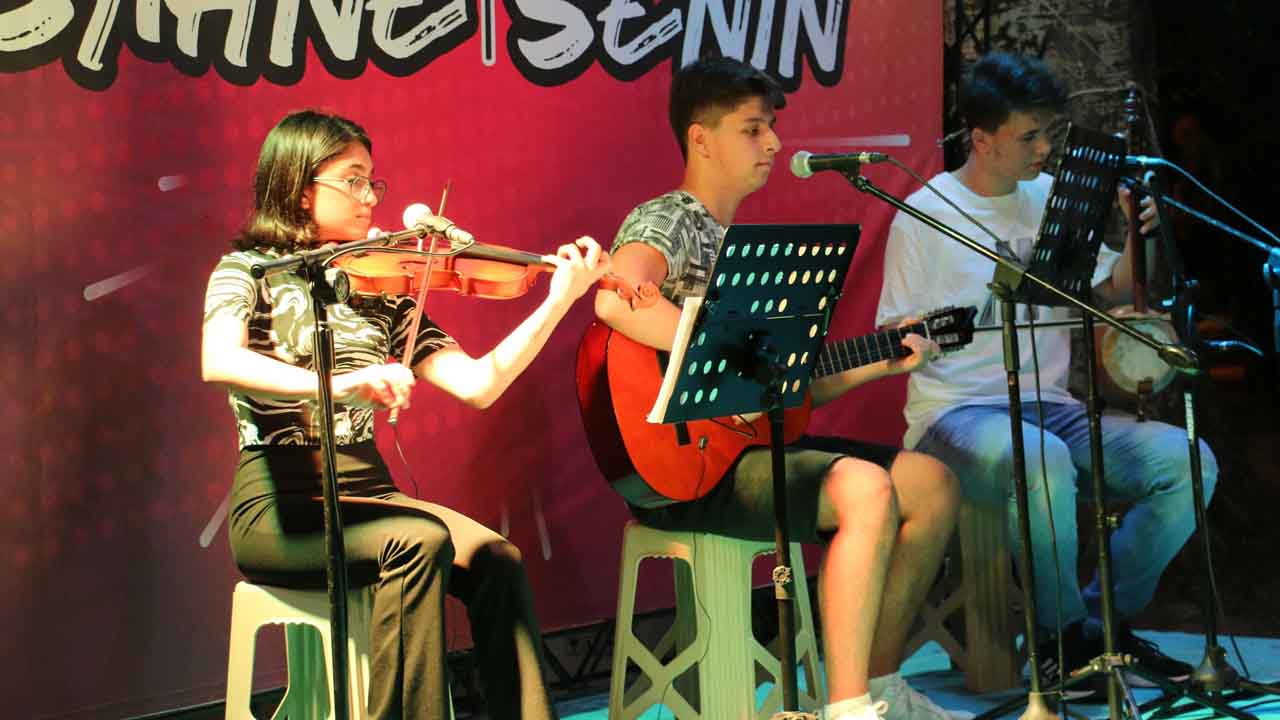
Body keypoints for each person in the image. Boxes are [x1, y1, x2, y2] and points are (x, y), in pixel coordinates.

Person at [202, 110, 609, 719]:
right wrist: (340, 384)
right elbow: (219, 360)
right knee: (418, 541)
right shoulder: (249, 270)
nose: (370, 197)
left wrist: (559, 301)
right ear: (300, 187)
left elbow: (479, 384)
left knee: (496, 560)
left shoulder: (381, 287)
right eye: (352, 180)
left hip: (368, 489)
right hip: (279, 500)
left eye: (372, 182)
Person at [595, 57, 967, 720]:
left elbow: (783, 392)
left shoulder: (732, 238)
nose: (773, 143)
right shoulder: (670, 220)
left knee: (932, 485)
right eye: (753, 129)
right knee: (865, 488)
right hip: (690, 467)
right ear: (701, 138)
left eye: (771, 127)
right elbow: (614, 299)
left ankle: (880, 681)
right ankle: (847, 708)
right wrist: (722, 346)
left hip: (745, 450)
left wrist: (880, 363)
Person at [876, 52, 1218, 698]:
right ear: (982, 138)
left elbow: (1115, 291)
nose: (1043, 149)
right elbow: (896, 334)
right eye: (1029, 136)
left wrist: (1137, 234)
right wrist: (936, 329)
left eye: (1048, 134)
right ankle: (1060, 640)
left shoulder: (1048, 199)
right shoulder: (924, 213)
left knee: (1189, 462)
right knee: (1042, 458)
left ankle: (1101, 625)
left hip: (1051, 409)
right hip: (957, 415)